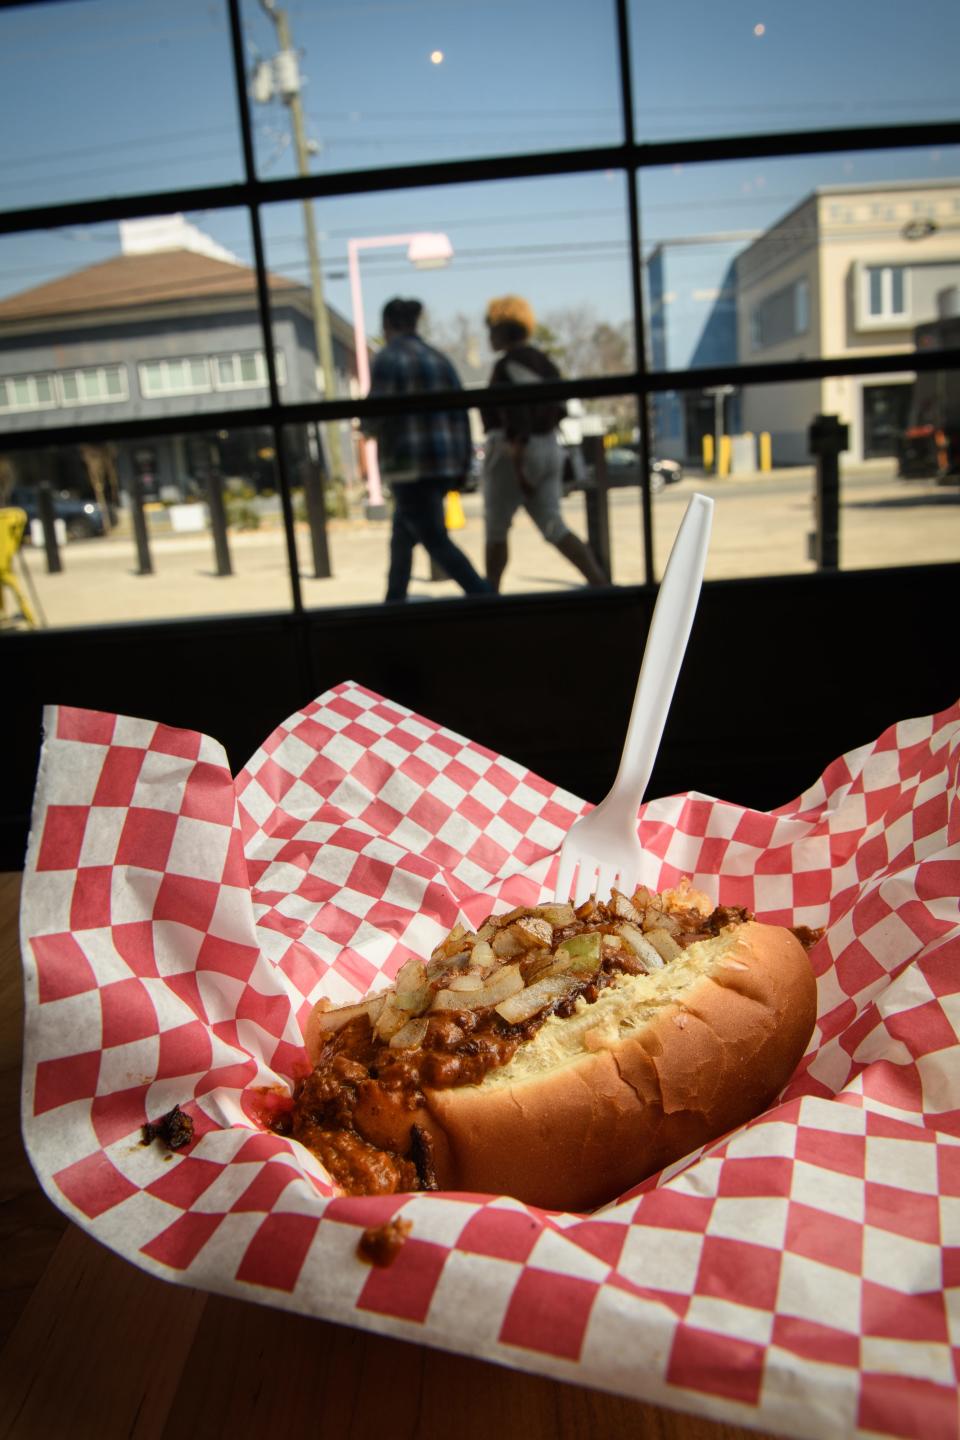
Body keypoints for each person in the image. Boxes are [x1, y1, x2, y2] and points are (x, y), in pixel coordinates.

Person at [363, 297, 492, 603]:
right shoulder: (439, 359)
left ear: (387, 325)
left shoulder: (388, 358)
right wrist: (462, 465)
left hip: (408, 465)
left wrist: (368, 428)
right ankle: (393, 601)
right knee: (402, 536)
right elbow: (460, 416)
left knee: (434, 539)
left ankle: (485, 597)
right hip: (443, 465)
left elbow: (372, 415)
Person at [479, 295, 608, 593]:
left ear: (502, 330)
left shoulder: (509, 365)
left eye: (491, 330)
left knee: (496, 530)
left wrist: (519, 455)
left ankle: (490, 596)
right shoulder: (545, 362)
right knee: (554, 525)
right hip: (550, 446)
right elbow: (561, 405)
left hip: (514, 452)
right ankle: (601, 584)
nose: (489, 336)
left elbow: (516, 411)